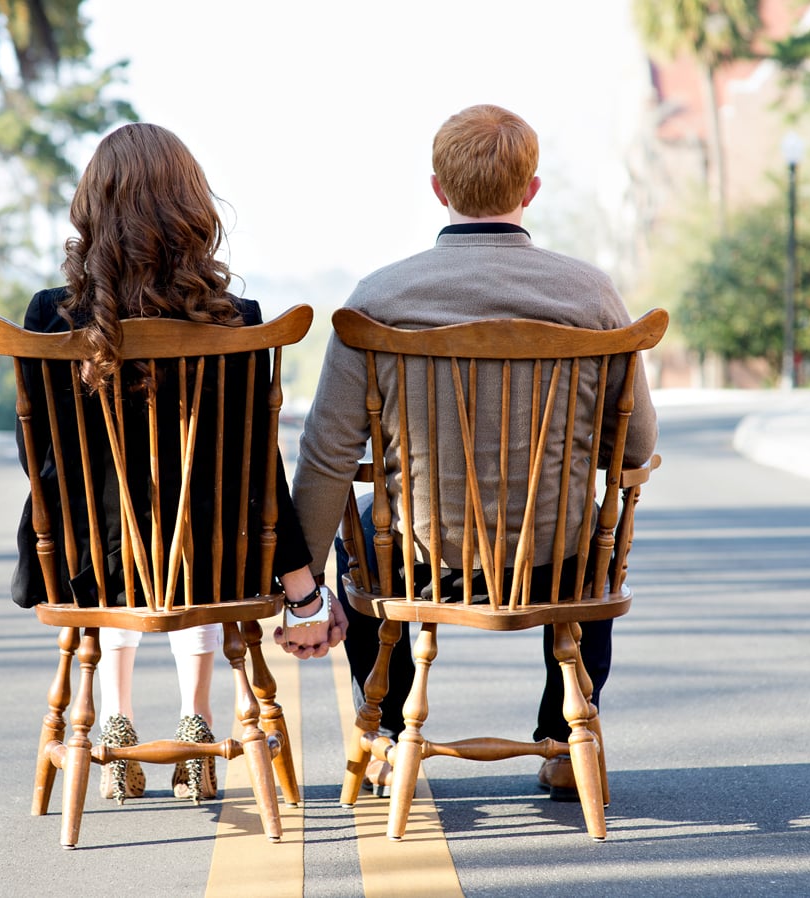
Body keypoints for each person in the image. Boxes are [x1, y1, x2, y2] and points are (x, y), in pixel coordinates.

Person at [282, 104, 658, 800]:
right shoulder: (591, 295)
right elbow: (636, 446)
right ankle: (562, 739)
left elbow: (329, 453)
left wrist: (300, 586)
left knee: (362, 526)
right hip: (554, 563)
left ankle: (387, 733)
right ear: (531, 190)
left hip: (422, 561)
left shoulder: (379, 298)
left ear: (438, 189)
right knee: (593, 533)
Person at [9, 123, 340, 806]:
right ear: (192, 209)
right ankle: (197, 721)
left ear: (90, 209)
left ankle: (114, 723)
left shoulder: (50, 317)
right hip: (210, 567)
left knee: (114, 545)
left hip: (85, 568)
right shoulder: (235, 320)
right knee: (195, 534)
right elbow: (258, 473)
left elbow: (36, 461)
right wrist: (305, 594)